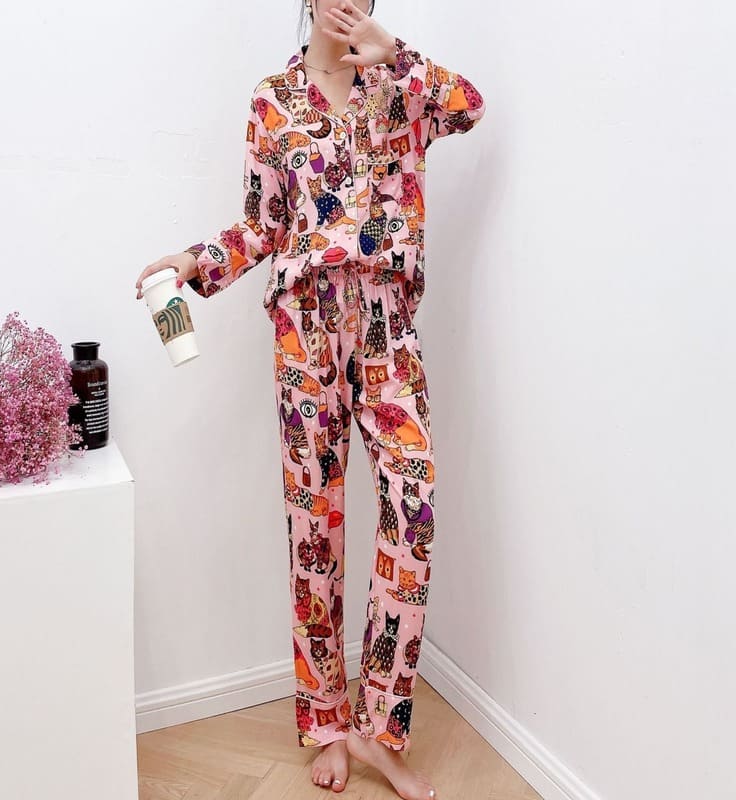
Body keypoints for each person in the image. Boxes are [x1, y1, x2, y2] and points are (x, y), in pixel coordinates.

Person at [136, 2, 485, 797]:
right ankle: (327, 722)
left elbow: (469, 107)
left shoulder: (400, 85)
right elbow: (262, 227)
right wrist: (195, 262)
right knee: (313, 530)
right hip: (306, 327)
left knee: (413, 509)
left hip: (388, 327)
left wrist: (395, 55)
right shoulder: (273, 99)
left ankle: (379, 730)